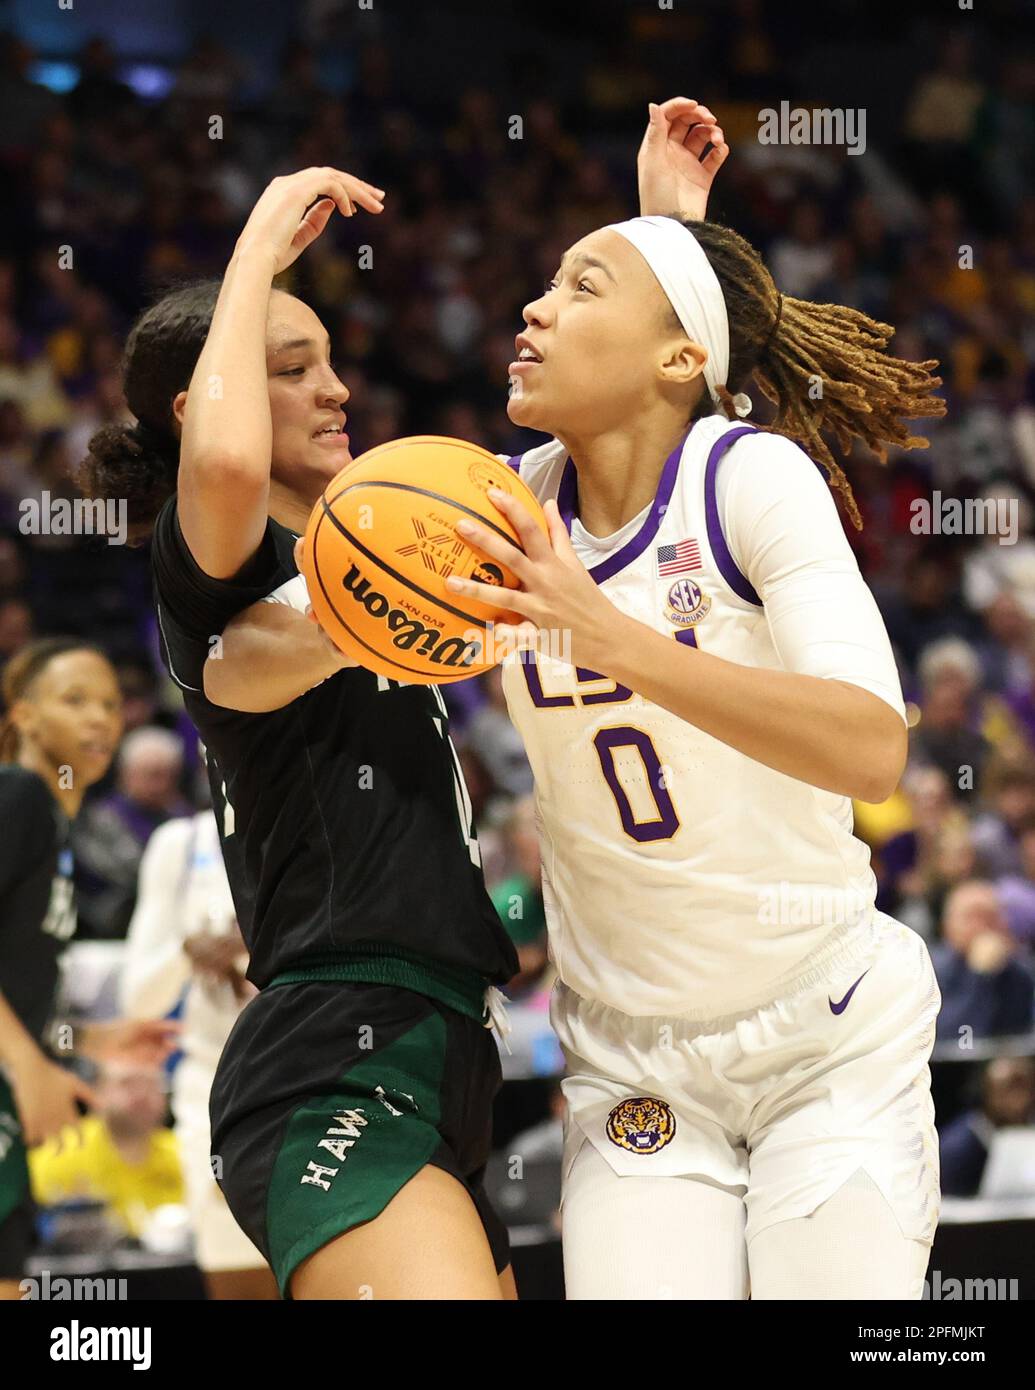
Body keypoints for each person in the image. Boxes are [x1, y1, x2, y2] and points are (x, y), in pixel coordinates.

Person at [429, 109, 952, 1296]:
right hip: (634, 1066)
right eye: (546, 286)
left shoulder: (749, 477)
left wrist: (605, 632)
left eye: (578, 287)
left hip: (826, 1031)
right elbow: (278, 638)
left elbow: (871, 747)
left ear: (675, 360)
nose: (534, 309)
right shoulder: (498, 507)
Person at [78, 166, 528, 1301]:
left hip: (449, 1046)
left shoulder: (389, 572)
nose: (335, 390)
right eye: (291, 368)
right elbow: (225, 466)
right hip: (334, 1049)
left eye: (332, 360)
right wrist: (259, 245)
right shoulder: (212, 583)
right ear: (198, 404)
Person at [0, 638, 178, 1298]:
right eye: (74, 701)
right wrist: (28, 1066)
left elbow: (25, 1009)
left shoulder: (58, 833)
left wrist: (90, 1041)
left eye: (108, 703)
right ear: (24, 717)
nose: (100, 718)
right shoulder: (16, 796)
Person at [121, 808, 278, 1298]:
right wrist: (190, 950)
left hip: (326, 1075)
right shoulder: (182, 842)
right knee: (239, 1277)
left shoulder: (330, 813)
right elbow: (138, 1001)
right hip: (216, 1088)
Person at [29, 1061, 183, 1240]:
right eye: (128, 1083)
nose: (142, 1095)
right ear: (95, 1090)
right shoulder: (58, 1152)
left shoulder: (184, 1154)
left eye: (152, 1085)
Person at [931, 881, 1035, 1041]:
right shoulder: (932, 971)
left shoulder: (1019, 973)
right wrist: (980, 976)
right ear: (947, 926)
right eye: (971, 917)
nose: (981, 926)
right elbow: (957, 1039)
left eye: (990, 917)